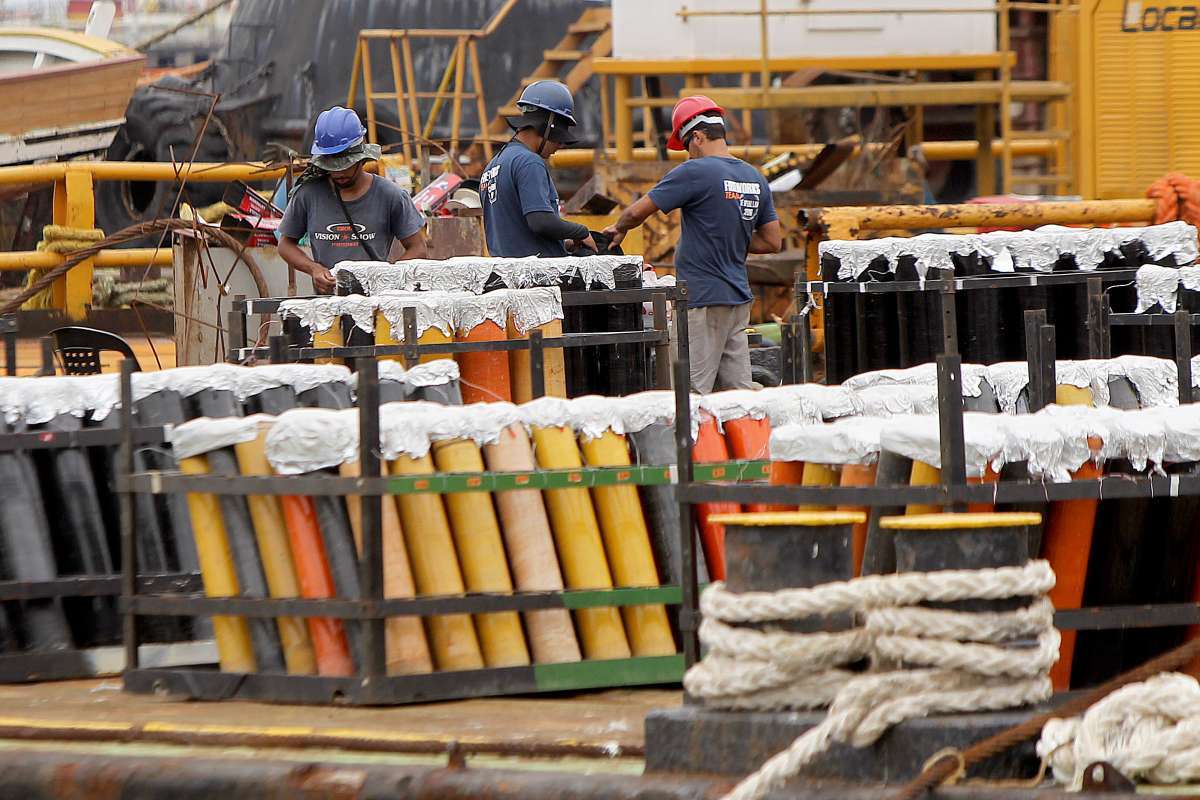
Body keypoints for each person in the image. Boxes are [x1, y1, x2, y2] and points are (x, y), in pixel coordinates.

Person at [604, 95, 782, 392]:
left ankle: (694, 427)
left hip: (702, 298)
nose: (688, 154)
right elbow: (772, 241)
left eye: (687, 145)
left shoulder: (695, 171)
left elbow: (636, 212)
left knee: (691, 393)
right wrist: (730, 232)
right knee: (737, 394)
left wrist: (619, 228)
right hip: (738, 299)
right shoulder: (754, 177)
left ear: (697, 137)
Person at [279, 106, 427, 293]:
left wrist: (386, 278)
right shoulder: (308, 195)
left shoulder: (391, 196)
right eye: (333, 165)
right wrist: (314, 268)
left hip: (376, 304)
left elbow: (418, 248)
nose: (339, 173)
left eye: (346, 165)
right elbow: (285, 244)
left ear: (361, 158)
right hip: (326, 305)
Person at [480, 80, 596, 257]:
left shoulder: (494, 164)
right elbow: (540, 221)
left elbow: (516, 235)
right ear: (548, 126)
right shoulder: (529, 162)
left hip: (507, 270)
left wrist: (565, 243)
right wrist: (581, 232)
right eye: (559, 138)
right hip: (536, 273)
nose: (560, 146)